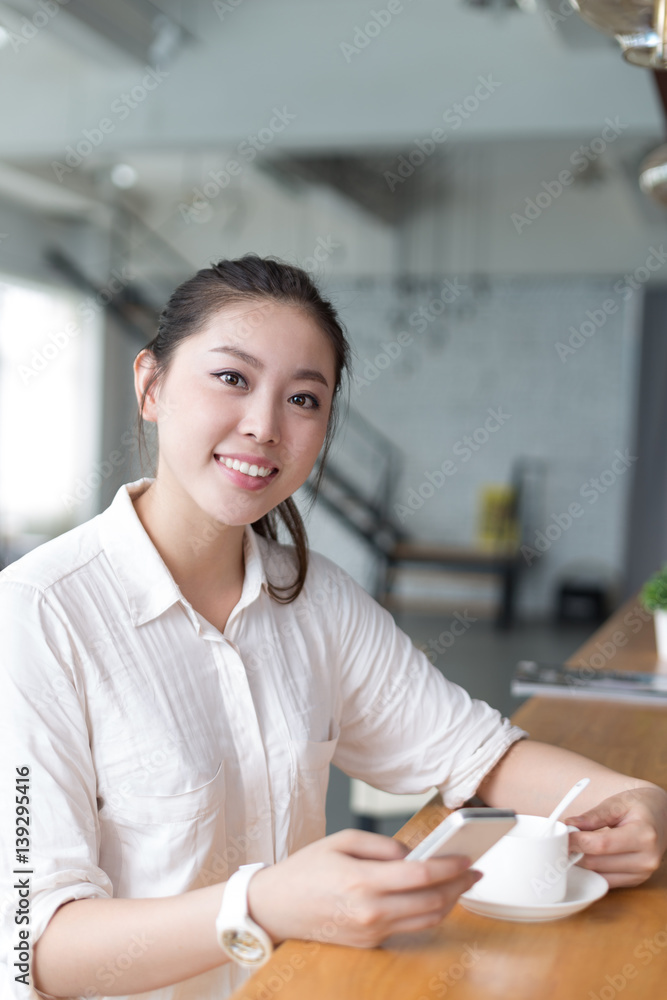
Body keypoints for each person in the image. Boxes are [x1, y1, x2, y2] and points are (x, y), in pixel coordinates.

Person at [1, 254, 665, 1000]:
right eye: (232, 378)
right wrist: (260, 905)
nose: (263, 426)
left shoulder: (318, 600)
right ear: (151, 385)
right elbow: (35, 948)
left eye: (304, 399)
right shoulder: (37, 614)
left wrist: (635, 799)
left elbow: (475, 756)